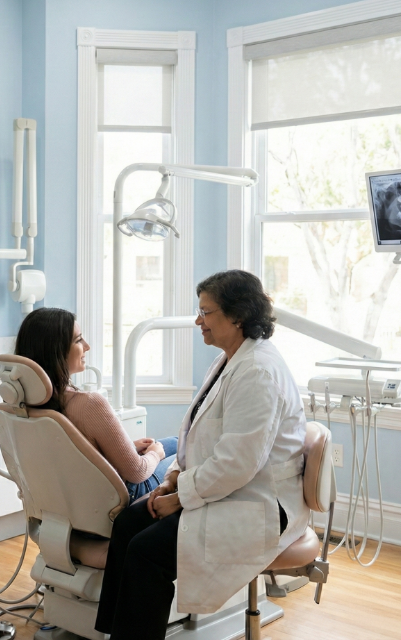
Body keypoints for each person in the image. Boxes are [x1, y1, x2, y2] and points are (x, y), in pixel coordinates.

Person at [95, 270, 310, 640]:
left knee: (148, 551)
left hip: (259, 504)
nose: (198, 321)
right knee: (129, 521)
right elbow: (198, 436)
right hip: (228, 488)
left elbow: (237, 464)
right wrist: (173, 479)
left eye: (206, 313)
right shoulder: (231, 359)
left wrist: (181, 499)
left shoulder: (257, 371)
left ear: (238, 316)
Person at [14, 307, 178, 503]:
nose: (87, 346)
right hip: (115, 498)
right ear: (55, 351)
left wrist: (123, 449)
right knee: (180, 451)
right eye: (78, 340)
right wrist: (155, 455)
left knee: (176, 443)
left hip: (66, 501)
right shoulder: (89, 404)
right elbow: (137, 472)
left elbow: (68, 459)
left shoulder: (22, 405)